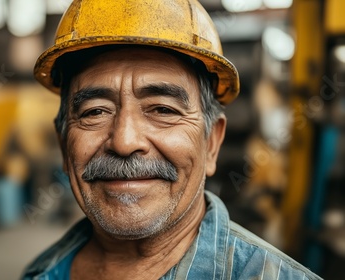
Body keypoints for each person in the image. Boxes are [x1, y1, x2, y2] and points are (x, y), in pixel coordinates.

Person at [22, 0, 322, 279]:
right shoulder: (41, 271)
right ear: (64, 145)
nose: (125, 142)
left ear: (211, 144)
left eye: (163, 109)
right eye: (95, 112)